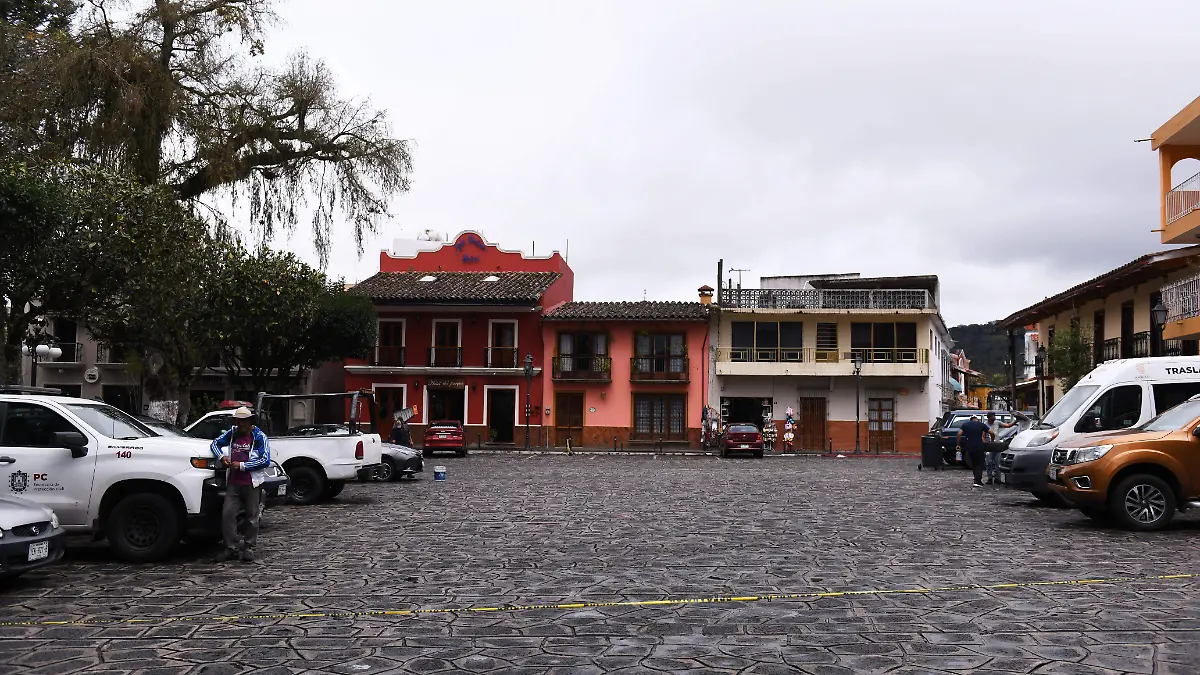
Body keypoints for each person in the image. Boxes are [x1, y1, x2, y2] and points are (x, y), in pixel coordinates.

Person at [209, 407, 271, 563]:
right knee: (228, 515)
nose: (240, 424)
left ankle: (249, 547)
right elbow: (215, 443)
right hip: (234, 481)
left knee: (252, 516)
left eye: (243, 421)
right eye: (238, 421)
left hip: (251, 482)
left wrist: (242, 465)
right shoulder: (232, 433)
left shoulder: (259, 437)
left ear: (250, 421)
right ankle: (231, 548)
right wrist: (222, 457)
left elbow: (265, 460)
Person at [955, 415, 994, 487]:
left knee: (974, 464)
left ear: (971, 420)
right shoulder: (981, 424)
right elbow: (991, 432)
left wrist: (958, 444)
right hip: (979, 447)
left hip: (969, 447)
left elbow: (959, 434)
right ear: (977, 419)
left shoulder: (965, 425)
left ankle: (976, 479)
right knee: (979, 464)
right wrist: (992, 441)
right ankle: (977, 481)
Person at [984, 412, 1016, 485]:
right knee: (989, 462)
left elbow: (1008, 425)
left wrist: (1015, 421)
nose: (993, 419)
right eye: (992, 418)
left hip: (997, 445)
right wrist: (984, 445)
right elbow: (982, 436)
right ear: (988, 418)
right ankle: (990, 478)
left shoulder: (997, 422)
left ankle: (997, 478)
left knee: (997, 462)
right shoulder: (985, 424)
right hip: (989, 445)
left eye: (994, 417)